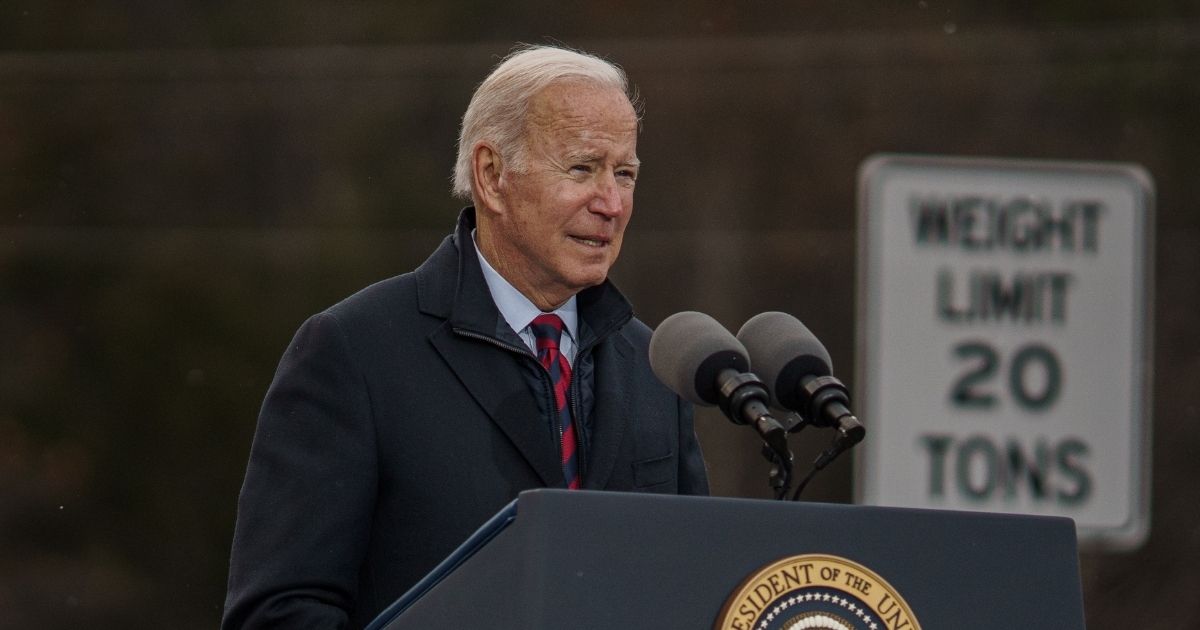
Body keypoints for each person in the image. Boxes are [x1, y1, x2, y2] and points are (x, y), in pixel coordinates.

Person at [221, 44, 709, 629]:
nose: (611, 203)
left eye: (624, 174)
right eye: (582, 168)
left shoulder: (656, 367)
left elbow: (695, 587)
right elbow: (277, 613)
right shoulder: (354, 353)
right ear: (492, 176)